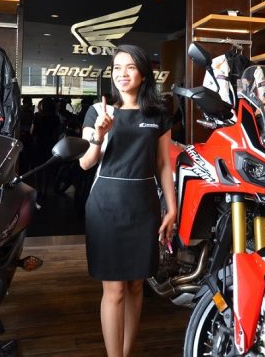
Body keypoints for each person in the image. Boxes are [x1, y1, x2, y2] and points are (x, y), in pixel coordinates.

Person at [78, 45, 177, 357]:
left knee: (136, 285)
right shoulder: (98, 112)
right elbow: (85, 163)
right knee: (115, 289)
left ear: (143, 74)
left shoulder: (158, 114)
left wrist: (172, 207)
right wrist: (99, 134)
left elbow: (163, 164)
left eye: (130, 67)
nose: (122, 73)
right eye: (117, 67)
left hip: (144, 205)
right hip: (106, 206)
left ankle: (126, 352)